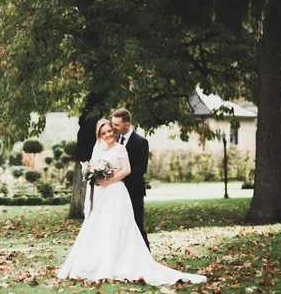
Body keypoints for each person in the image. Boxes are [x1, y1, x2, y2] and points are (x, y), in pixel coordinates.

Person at [57, 118, 207, 285]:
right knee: (101, 226)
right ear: (99, 135)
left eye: (109, 131)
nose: (108, 135)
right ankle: (97, 263)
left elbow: (127, 170)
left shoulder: (120, 148)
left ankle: (119, 264)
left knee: (118, 227)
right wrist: (96, 175)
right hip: (102, 194)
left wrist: (109, 180)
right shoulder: (100, 149)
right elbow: (94, 167)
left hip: (116, 192)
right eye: (104, 132)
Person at [109, 108, 150, 250]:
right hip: (116, 191)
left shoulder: (141, 142)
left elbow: (142, 168)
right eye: (112, 123)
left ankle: (146, 257)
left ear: (127, 124)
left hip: (134, 191)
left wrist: (122, 173)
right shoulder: (114, 140)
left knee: (137, 225)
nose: (113, 127)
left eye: (116, 125)